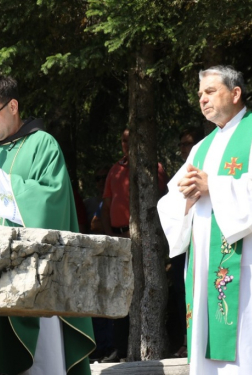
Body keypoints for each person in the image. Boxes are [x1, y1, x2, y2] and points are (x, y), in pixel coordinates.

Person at [0, 75, 95, 375]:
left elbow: (52, 202)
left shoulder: (42, 144)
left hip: (35, 279)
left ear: (13, 106)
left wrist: (3, 182)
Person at [157, 65, 252, 374]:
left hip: (251, 263)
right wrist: (187, 200)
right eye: (199, 94)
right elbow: (170, 202)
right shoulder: (201, 148)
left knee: (248, 343)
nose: (202, 100)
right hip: (204, 266)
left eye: (210, 92)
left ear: (235, 93)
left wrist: (214, 187)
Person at [100, 128, 168, 363]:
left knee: (148, 290)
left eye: (131, 140)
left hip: (147, 240)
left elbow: (164, 203)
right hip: (120, 239)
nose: (126, 145)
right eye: (123, 140)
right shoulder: (115, 170)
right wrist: (111, 236)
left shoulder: (155, 168)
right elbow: (107, 205)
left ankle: (150, 345)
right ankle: (120, 347)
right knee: (122, 293)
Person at [171, 126, 204, 358]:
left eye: (188, 143)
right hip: (188, 240)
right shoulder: (183, 169)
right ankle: (188, 339)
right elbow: (169, 202)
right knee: (184, 289)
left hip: (210, 240)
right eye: (182, 144)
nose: (185, 148)